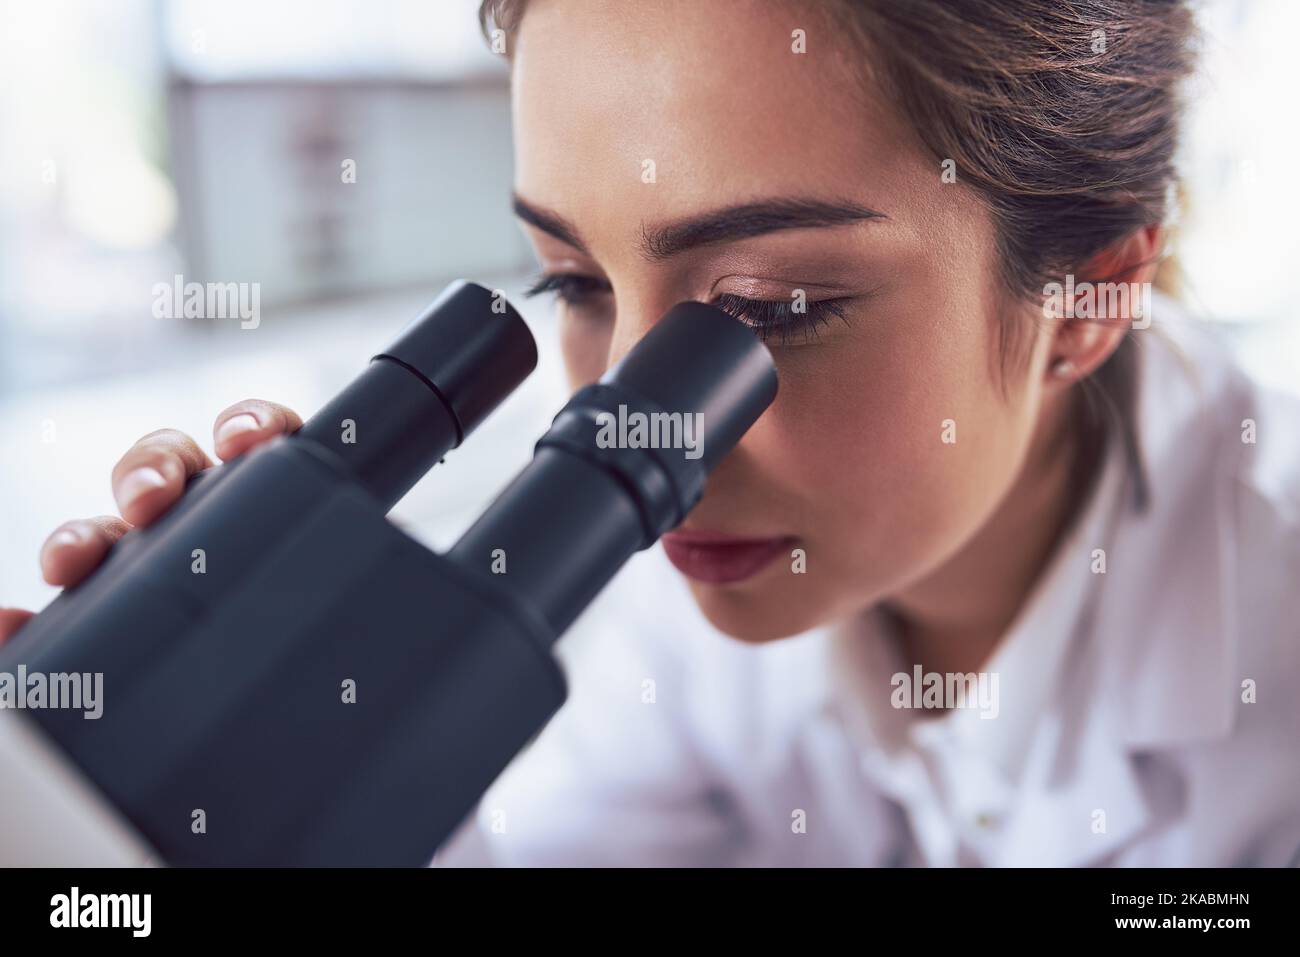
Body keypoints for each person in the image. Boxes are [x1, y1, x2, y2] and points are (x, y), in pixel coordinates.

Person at [4, 0, 1299, 865]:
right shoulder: (682, 621)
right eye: (572, 282)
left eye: (765, 311)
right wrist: (296, 768)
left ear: (1085, 304)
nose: (620, 413)